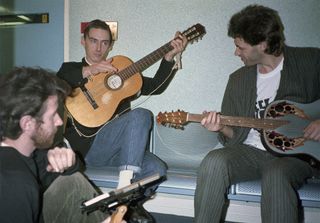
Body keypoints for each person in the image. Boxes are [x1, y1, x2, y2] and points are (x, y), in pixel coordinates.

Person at [194, 4, 320, 223]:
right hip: (249, 153)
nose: (236, 52)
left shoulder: (311, 62)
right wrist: (221, 127)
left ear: (262, 45)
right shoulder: (237, 80)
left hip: (295, 155)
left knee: (276, 174)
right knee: (213, 161)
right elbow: (234, 136)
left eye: (240, 47)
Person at [57, 20, 187, 191]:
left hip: (121, 152)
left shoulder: (120, 74)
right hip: (87, 149)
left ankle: (123, 207)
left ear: (110, 46)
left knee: (157, 170)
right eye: (93, 41)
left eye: (104, 43)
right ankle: (124, 185)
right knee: (142, 114)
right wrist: (89, 70)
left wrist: (168, 58)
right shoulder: (70, 69)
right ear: (83, 41)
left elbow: (156, 86)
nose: (98, 48)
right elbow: (57, 82)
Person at [0, 67, 123, 223]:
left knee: (72, 181)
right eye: (52, 116)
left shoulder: (30, 153)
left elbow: (73, 171)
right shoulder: (14, 183)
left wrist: (68, 162)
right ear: (27, 124)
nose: (59, 121)